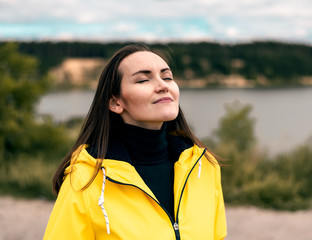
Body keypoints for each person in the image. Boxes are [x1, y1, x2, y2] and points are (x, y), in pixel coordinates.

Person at [44, 44, 227, 239]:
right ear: (115, 102)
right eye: (143, 80)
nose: (163, 85)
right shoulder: (85, 179)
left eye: (167, 77)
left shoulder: (204, 165)